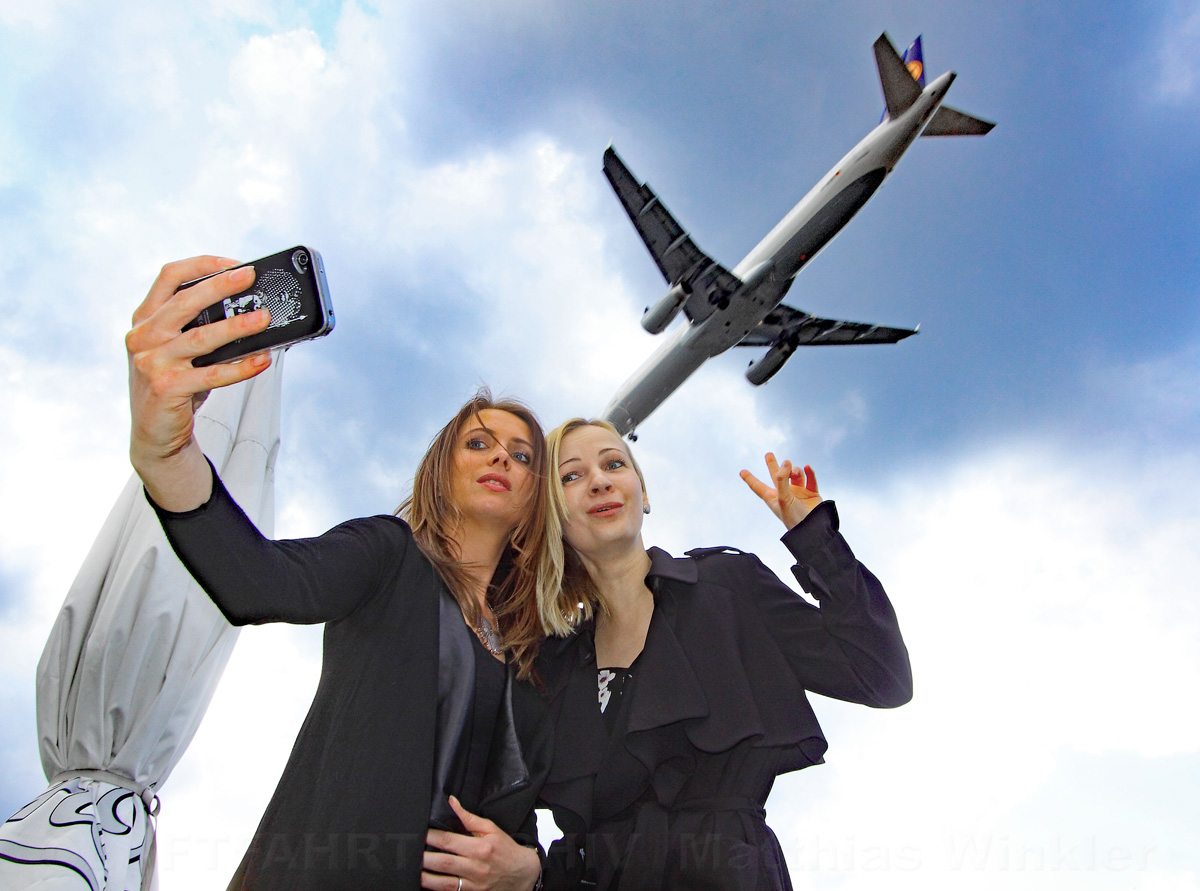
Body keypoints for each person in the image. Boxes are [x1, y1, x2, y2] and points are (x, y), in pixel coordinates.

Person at [126, 255, 552, 890]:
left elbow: (520, 808)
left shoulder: (531, 654)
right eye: (478, 443)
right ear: (443, 468)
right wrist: (166, 457)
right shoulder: (388, 554)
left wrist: (531, 869)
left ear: (532, 499)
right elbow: (257, 580)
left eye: (521, 455)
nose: (501, 457)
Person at [534, 419, 913, 890]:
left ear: (643, 494)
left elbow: (881, 676)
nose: (600, 480)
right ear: (550, 513)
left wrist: (818, 541)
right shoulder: (554, 660)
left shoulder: (726, 585)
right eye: (571, 476)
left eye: (614, 463)